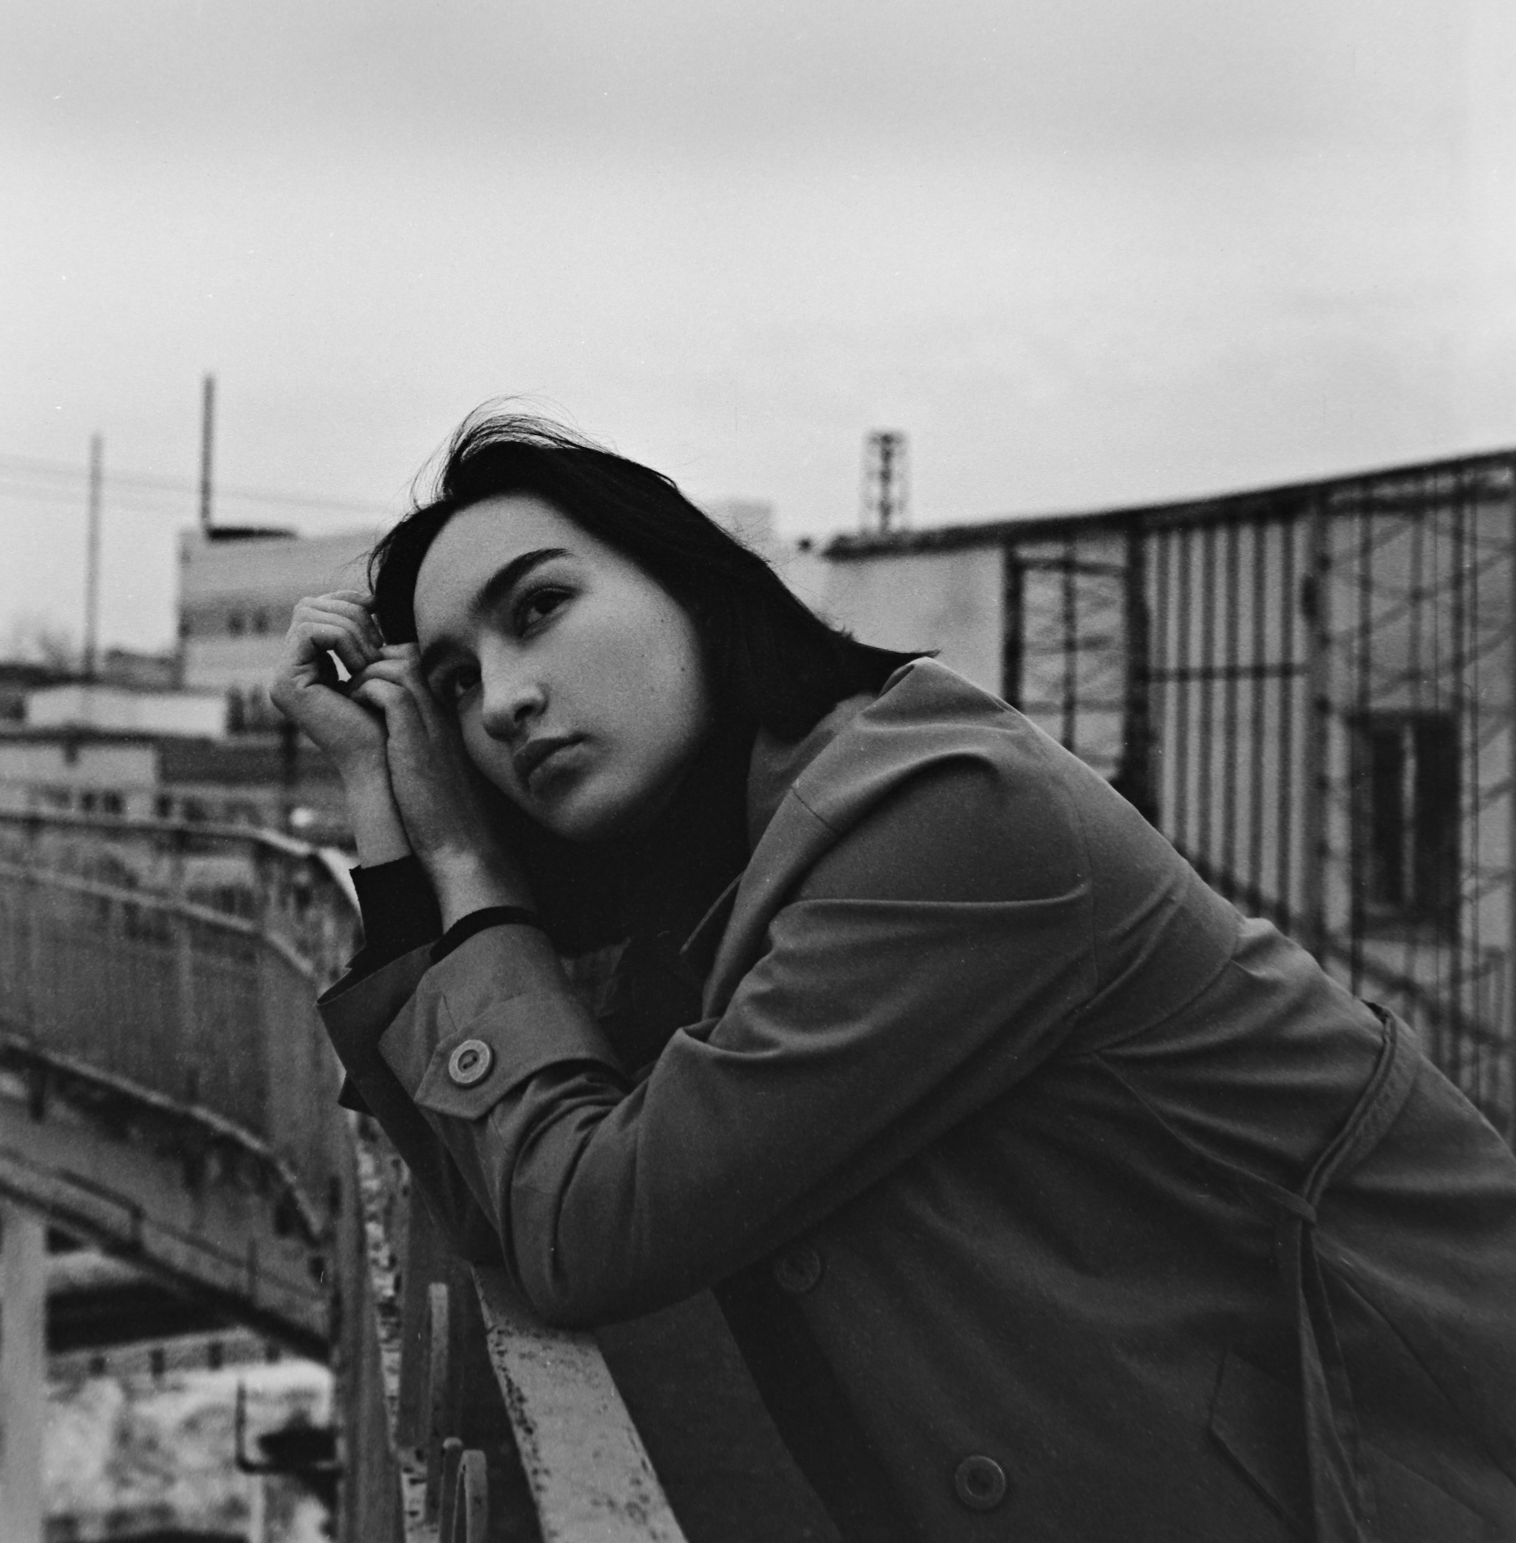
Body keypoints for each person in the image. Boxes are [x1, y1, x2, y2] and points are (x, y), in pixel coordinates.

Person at [271, 412, 1516, 1543]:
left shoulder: (939, 810)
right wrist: (384, 795)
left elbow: (585, 1229)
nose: (504, 700)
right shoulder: (702, 885)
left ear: (695, 587)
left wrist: (464, 862)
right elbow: (497, 1188)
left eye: (539, 608)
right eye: (454, 683)